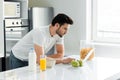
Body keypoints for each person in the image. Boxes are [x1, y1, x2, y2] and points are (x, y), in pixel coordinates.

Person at [9, 13, 74, 69]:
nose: (66, 32)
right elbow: (40, 60)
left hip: (33, 59)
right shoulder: (40, 33)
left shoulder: (59, 34)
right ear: (57, 25)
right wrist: (62, 61)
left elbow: (60, 54)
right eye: (65, 29)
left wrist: (45, 58)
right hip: (18, 58)